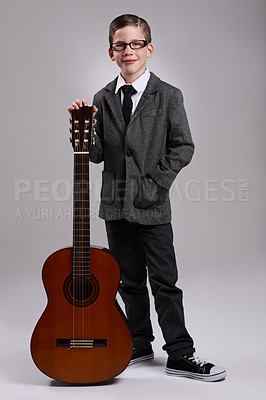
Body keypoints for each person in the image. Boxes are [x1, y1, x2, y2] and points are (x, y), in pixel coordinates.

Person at [68, 13, 226, 382]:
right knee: (127, 281)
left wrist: (155, 183)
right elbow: (94, 154)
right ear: (111, 53)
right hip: (115, 204)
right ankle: (138, 343)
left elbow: (183, 146)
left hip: (152, 204)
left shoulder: (168, 95)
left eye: (135, 44)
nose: (128, 51)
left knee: (164, 281)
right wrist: (79, 124)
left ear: (148, 48)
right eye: (120, 45)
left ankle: (180, 353)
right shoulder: (103, 98)